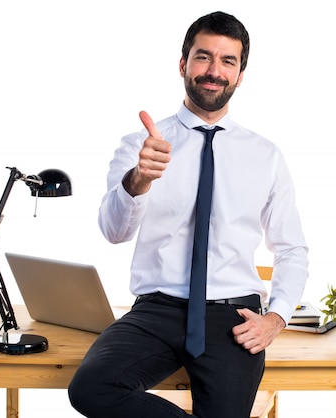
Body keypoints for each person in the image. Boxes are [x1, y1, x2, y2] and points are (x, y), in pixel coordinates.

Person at [68, 11, 308, 418]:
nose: (214, 71)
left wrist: (277, 318)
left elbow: (292, 249)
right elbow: (113, 232)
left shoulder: (265, 155)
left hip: (234, 317)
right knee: (91, 389)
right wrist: (139, 179)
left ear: (240, 74)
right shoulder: (141, 145)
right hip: (155, 311)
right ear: (183, 64)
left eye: (227, 61)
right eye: (203, 57)